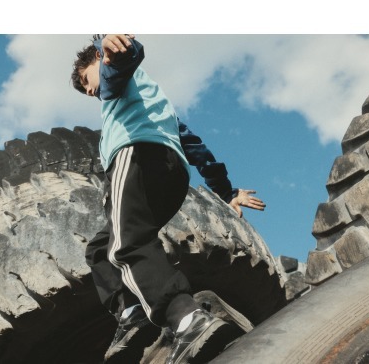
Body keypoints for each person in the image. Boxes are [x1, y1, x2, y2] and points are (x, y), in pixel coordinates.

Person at [71, 35, 265, 364]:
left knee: (125, 246)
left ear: (97, 60)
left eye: (85, 81)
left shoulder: (114, 75)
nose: (89, 91)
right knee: (101, 249)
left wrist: (109, 45)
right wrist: (227, 192)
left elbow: (120, 62)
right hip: (171, 175)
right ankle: (131, 313)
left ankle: (188, 320)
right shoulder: (155, 106)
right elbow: (197, 147)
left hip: (136, 158)